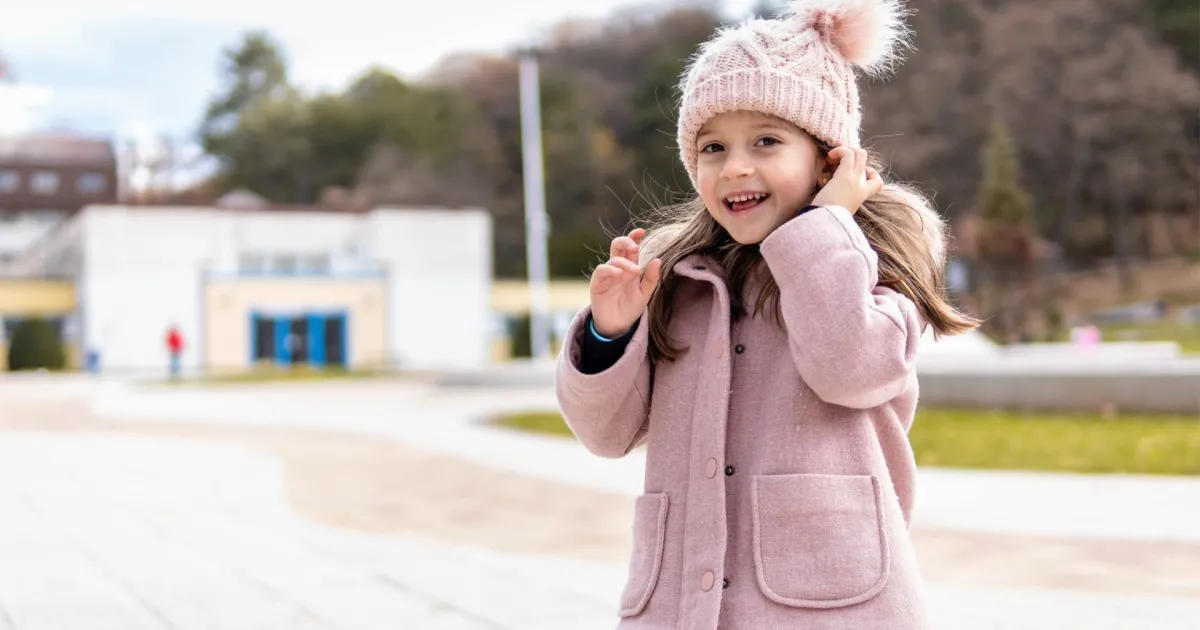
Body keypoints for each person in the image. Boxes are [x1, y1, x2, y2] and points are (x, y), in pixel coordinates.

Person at [554, 1, 980, 628]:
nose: (736, 167)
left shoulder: (878, 268)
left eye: (766, 141)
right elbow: (605, 434)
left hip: (832, 607)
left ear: (831, 159)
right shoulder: (677, 279)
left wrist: (825, 228)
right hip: (681, 605)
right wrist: (608, 334)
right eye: (712, 147)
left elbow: (849, 368)